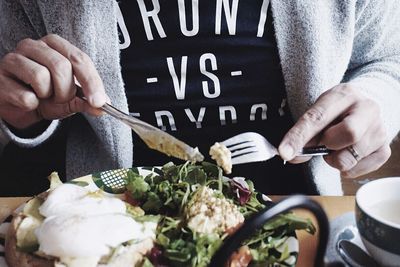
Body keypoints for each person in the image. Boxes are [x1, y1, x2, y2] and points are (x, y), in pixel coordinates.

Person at [0, 0, 399, 196]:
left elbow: (390, 60)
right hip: (108, 224)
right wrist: (16, 111)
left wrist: (377, 100)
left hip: (300, 219)